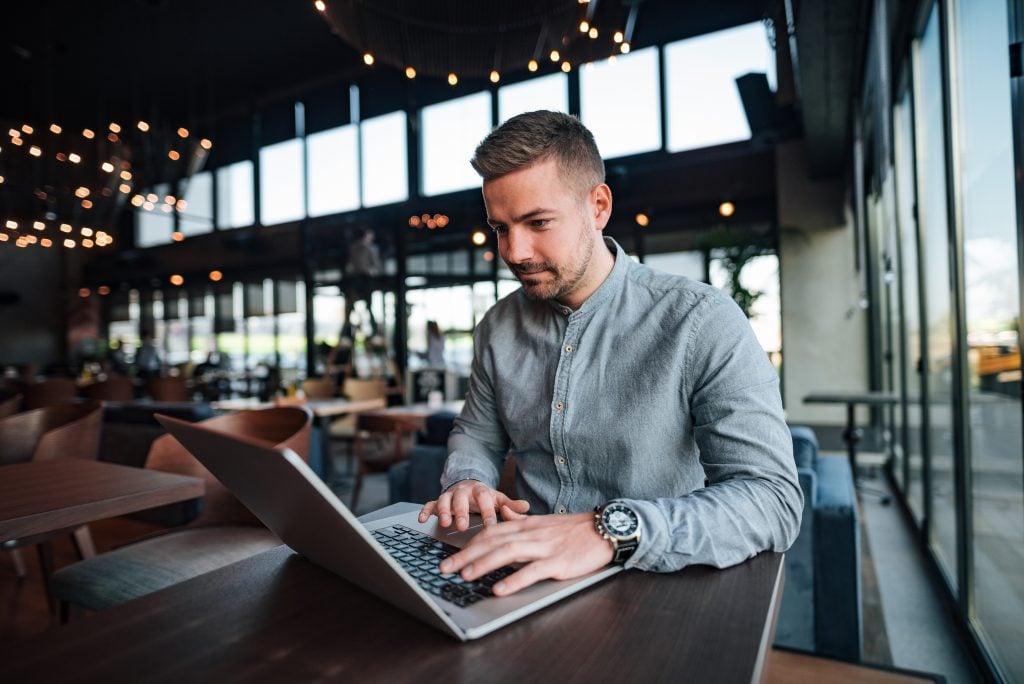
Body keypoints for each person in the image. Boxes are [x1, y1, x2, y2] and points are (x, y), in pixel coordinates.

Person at [417, 111, 802, 598]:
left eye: (538, 222)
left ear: (598, 206)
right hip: (521, 582)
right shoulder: (497, 327)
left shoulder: (701, 320)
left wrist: (609, 528)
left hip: (657, 585)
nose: (514, 251)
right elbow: (476, 434)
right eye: (500, 228)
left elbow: (772, 502)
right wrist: (468, 479)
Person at [345, 227, 381, 332]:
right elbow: (375, 265)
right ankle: (373, 330)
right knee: (369, 305)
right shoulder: (370, 247)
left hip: (354, 277)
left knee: (351, 305)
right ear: (367, 235)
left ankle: (349, 329)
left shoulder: (352, 247)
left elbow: (350, 263)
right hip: (366, 277)